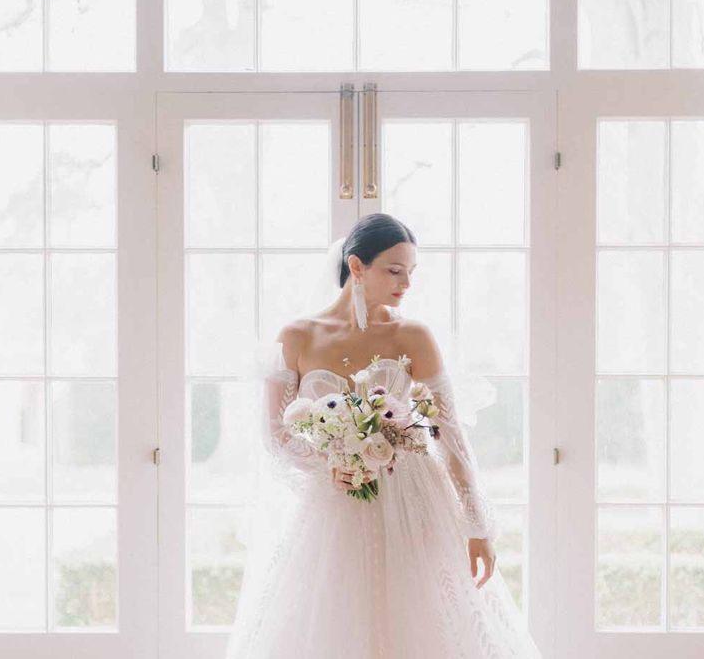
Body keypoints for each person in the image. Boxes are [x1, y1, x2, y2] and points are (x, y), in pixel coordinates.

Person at [226, 213, 543, 658]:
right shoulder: (296, 337)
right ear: (357, 267)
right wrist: (332, 464)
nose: (406, 284)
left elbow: (449, 434)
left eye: (411, 273)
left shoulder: (413, 336)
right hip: (334, 504)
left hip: (414, 499)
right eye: (394, 271)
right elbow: (276, 435)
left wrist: (477, 525)